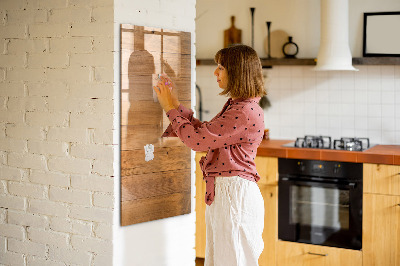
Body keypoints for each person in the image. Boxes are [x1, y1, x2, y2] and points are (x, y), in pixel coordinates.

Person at [153, 44, 266, 266]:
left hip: (234, 196)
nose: (215, 72)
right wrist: (175, 104)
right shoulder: (239, 106)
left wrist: (169, 108)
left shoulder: (243, 111)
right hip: (228, 194)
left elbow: (197, 141)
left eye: (221, 67)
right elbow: (205, 133)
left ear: (237, 71)